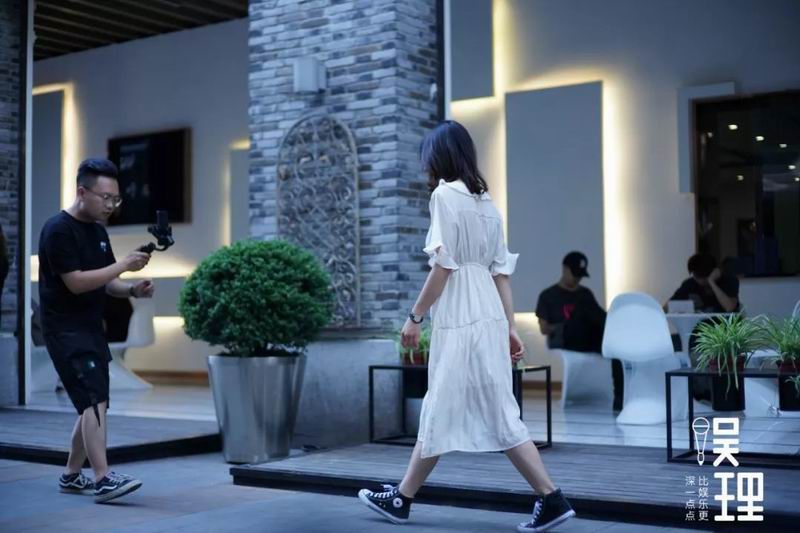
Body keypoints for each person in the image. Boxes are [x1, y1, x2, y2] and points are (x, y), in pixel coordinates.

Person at [357, 121, 575, 532]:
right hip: (488, 314)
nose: (426, 167)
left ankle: (551, 497)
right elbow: (501, 274)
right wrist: (509, 328)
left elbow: (443, 266)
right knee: (481, 407)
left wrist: (415, 317)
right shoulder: (487, 204)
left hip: (460, 315)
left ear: (438, 157)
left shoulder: (444, 196)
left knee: (459, 404)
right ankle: (403, 497)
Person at [39, 158, 154, 503]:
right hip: (65, 330)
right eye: (105, 198)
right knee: (93, 399)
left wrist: (132, 289)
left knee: (95, 401)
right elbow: (76, 283)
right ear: (81, 192)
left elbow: (107, 283)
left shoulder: (98, 232)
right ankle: (102, 478)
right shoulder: (58, 230)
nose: (111, 206)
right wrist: (123, 264)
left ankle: (72, 475)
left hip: (91, 328)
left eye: (116, 199)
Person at [536, 252, 624, 411]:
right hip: (563, 338)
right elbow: (544, 328)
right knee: (582, 313)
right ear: (565, 269)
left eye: (580, 276)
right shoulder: (548, 295)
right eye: (575, 275)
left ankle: (619, 397)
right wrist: (565, 324)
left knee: (613, 345)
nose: (577, 279)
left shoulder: (585, 293)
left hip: (588, 337)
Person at [667, 253, 740, 313]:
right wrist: (686, 307)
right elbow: (666, 308)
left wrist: (712, 282)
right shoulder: (689, 283)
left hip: (724, 325)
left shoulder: (729, 280)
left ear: (712, 272)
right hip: (698, 325)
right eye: (696, 276)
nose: (700, 280)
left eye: (704, 276)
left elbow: (729, 307)